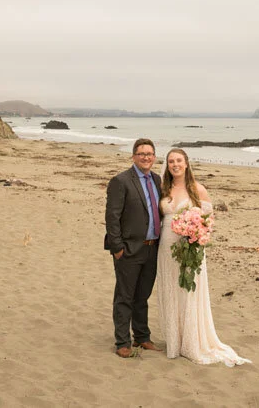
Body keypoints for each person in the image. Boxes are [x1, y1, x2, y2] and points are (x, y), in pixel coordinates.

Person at [156, 148, 251, 366]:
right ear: (167, 165)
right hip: (166, 248)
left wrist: (193, 234)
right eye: (171, 161)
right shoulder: (163, 189)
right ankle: (175, 340)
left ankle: (191, 341)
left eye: (179, 160)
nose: (175, 164)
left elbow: (207, 222)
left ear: (186, 163)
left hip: (190, 248)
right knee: (170, 290)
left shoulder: (198, 189)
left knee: (189, 291)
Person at [104, 138, 165, 358]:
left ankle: (142, 337)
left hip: (152, 248)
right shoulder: (121, 181)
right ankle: (122, 342)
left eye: (149, 154)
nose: (146, 157)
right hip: (129, 249)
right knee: (125, 296)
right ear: (133, 156)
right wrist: (118, 248)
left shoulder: (157, 180)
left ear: (154, 157)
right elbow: (112, 217)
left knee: (142, 296)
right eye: (141, 154)